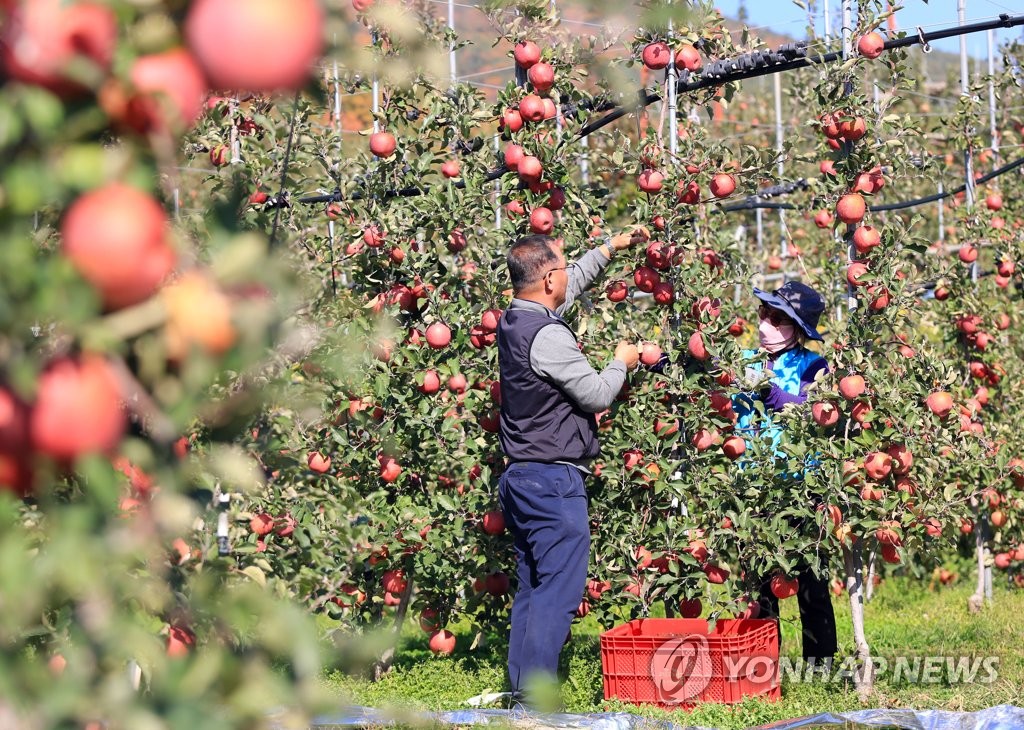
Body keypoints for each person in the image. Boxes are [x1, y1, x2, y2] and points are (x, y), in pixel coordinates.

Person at [496, 229, 646, 707]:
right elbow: (598, 394)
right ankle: (536, 703)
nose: (567, 276)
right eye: (561, 269)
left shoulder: (516, 317)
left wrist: (607, 249)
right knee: (558, 594)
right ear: (546, 281)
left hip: (521, 477)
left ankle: (521, 695)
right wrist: (622, 362)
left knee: (534, 590)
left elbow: (569, 280)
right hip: (553, 480)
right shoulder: (549, 336)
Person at [732, 280, 838, 664]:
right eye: (764, 314)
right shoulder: (743, 361)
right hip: (753, 486)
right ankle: (763, 665)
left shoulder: (813, 364)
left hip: (800, 484)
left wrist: (777, 397)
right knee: (759, 583)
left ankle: (820, 665)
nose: (765, 323)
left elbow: (818, 408)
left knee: (811, 579)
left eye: (777, 318)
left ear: (796, 328)